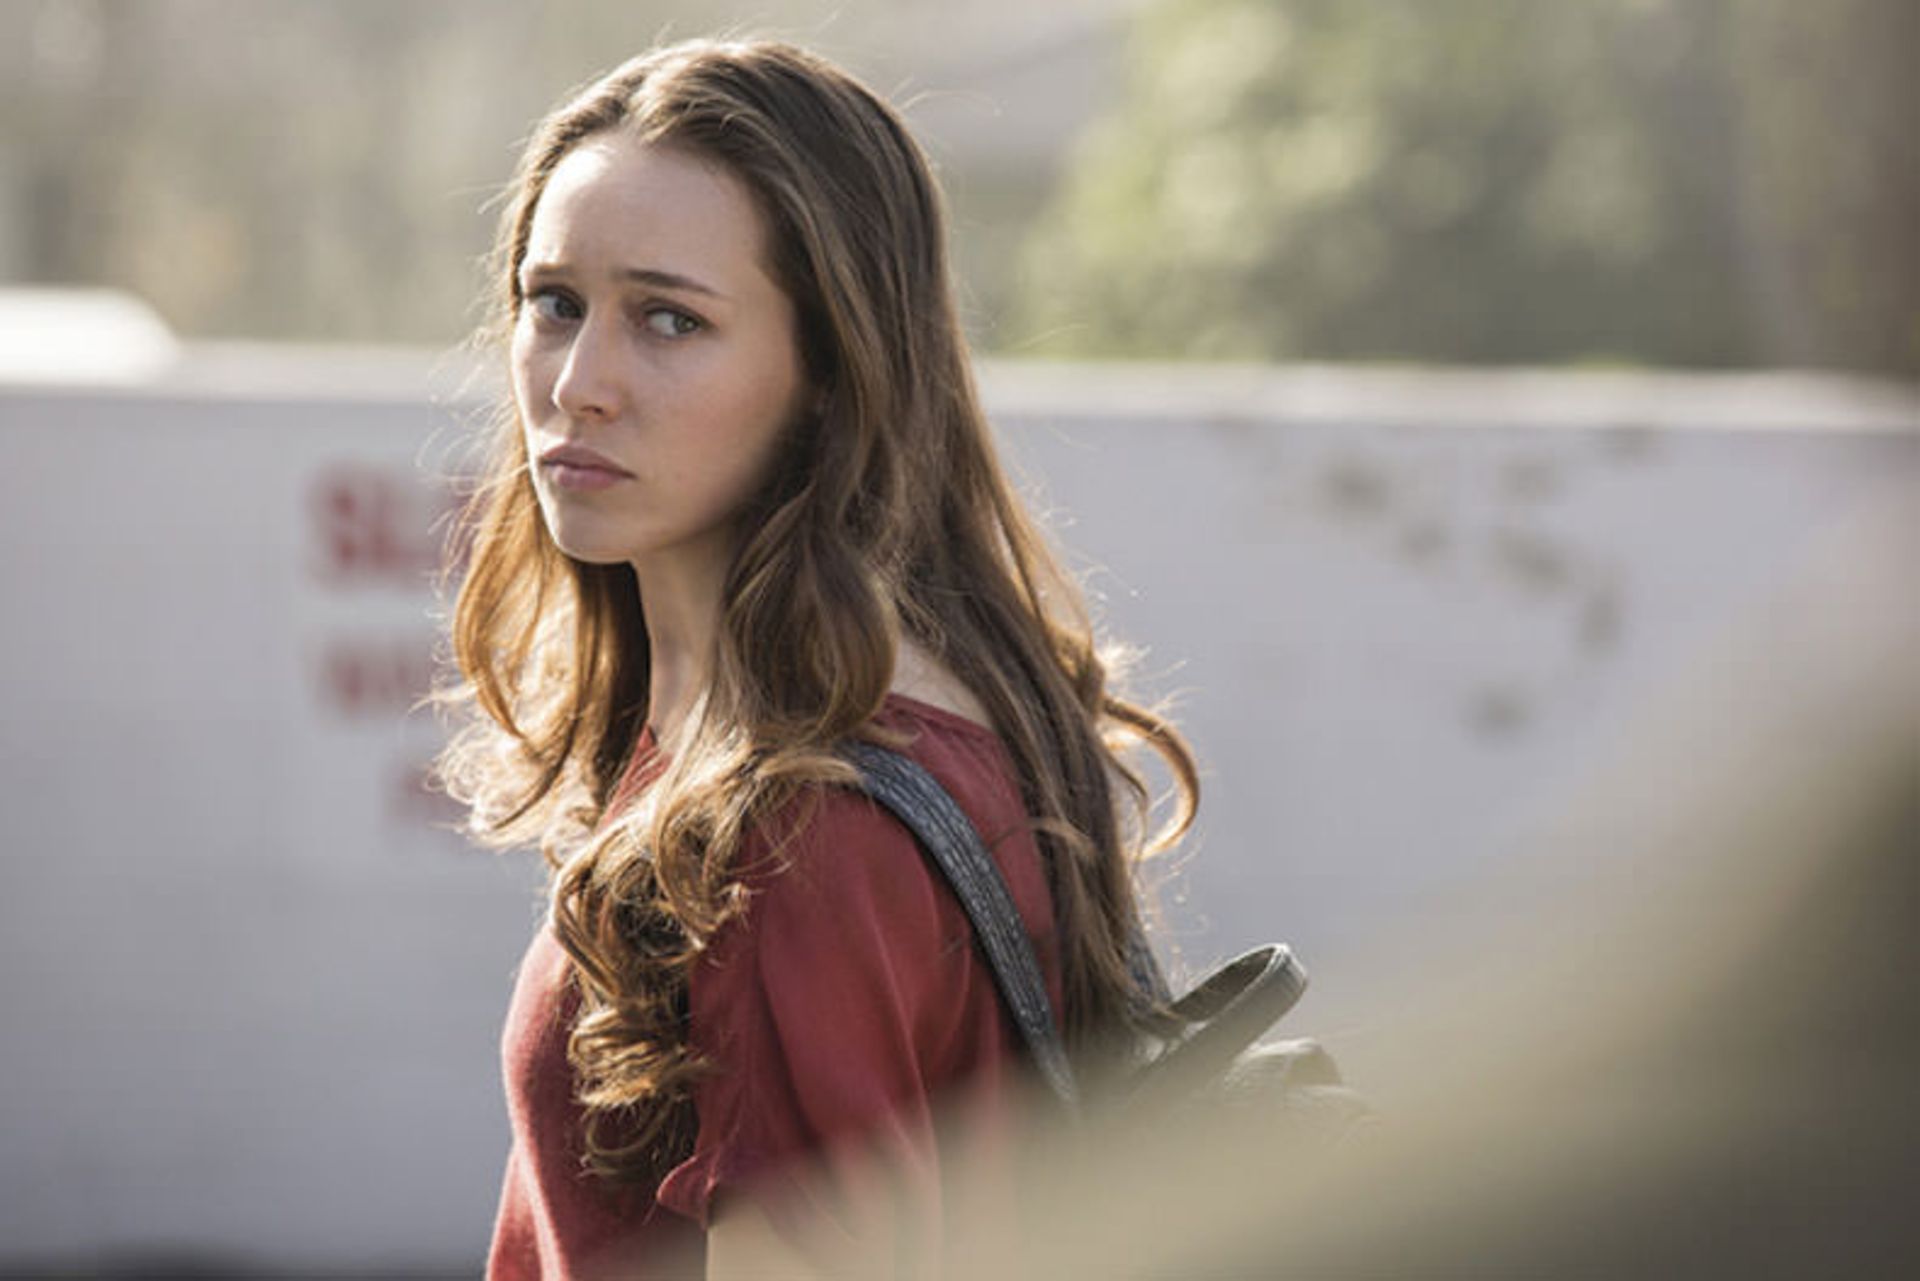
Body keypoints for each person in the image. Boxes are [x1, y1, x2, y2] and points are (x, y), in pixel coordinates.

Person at [432, 36, 1197, 1279]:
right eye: (554, 303)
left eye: (670, 320)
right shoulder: (942, 706)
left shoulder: (793, 829)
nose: (580, 383)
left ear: (834, 373)